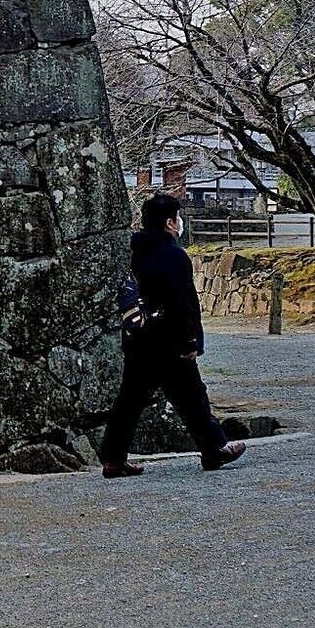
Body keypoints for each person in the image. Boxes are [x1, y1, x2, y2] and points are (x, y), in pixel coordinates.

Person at [102, 193, 245, 478]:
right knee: (192, 396)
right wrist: (191, 340)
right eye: (177, 218)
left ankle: (113, 459)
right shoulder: (173, 254)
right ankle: (214, 448)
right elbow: (183, 302)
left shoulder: (133, 251)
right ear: (170, 222)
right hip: (170, 340)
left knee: (130, 400)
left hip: (139, 337)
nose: (179, 223)